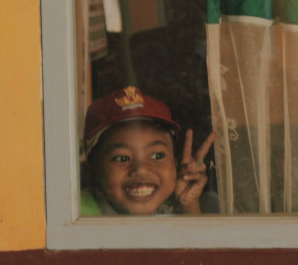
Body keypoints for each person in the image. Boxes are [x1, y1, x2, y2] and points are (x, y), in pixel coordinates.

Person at [80, 86, 215, 216]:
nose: (141, 169)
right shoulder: (75, 214)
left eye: (157, 155)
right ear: (93, 174)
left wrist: (189, 205)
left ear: (176, 165)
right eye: (122, 158)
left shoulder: (168, 209)